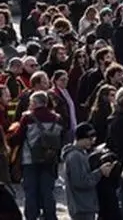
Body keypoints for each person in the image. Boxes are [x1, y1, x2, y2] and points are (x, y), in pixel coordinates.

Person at [9, 90, 64, 220]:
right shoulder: (57, 118)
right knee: (47, 191)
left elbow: (19, 137)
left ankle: (32, 216)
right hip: (50, 159)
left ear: (34, 102)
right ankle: (50, 216)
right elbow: (61, 137)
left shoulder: (27, 118)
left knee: (31, 191)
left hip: (30, 159)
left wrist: (9, 138)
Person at [63, 123, 116, 220]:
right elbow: (81, 182)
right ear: (81, 138)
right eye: (90, 139)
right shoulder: (75, 156)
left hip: (84, 206)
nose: (92, 142)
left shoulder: (81, 153)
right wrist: (100, 172)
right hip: (81, 207)